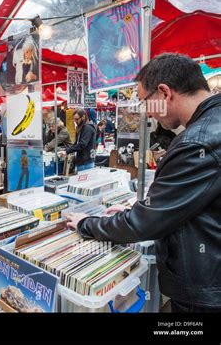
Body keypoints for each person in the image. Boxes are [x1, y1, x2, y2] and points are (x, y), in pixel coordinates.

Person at [67, 53, 221, 313]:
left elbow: (143, 224)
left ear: (164, 93)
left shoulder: (198, 142)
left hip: (205, 292)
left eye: (144, 101)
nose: (147, 112)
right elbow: (186, 203)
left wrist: (86, 223)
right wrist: (141, 209)